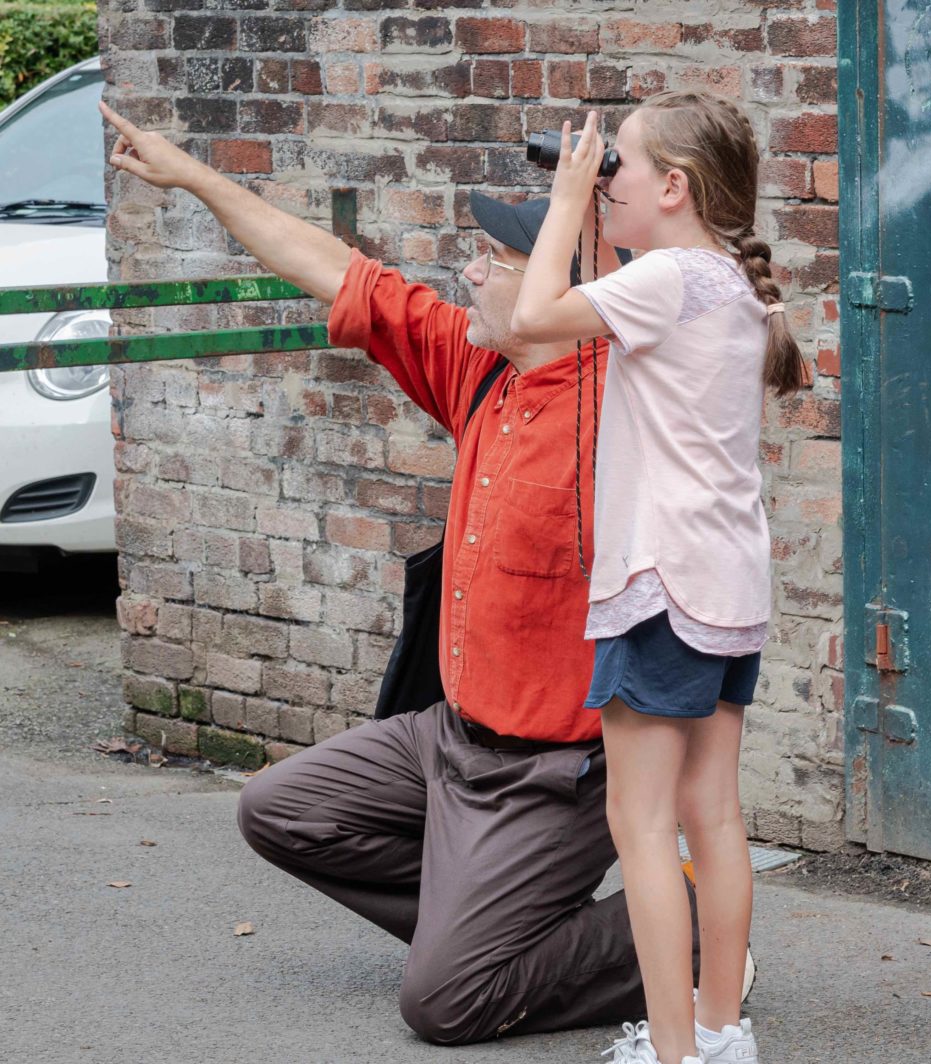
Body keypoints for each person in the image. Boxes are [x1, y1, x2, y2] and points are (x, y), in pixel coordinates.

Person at [98, 100, 752, 1047]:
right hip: (447, 739)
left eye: (491, 259)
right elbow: (332, 267)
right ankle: (490, 929)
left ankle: (672, 942)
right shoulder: (475, 366)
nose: (471, 273)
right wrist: (194, 176)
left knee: (441, 1003)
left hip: (552, 770)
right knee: (279, 810)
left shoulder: (627, 403)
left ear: (554, 286)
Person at [504, 92, 805, 1064]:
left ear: (673, 187)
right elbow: (594, 312)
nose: (605, 181)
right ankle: (719, 1031)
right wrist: (589, 214)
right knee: (712, 811)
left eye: (617, 167)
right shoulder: (727, 280)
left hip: (659, 582)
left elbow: (532, 319)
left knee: (637, 822)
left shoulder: (670, 276)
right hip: (727, 583)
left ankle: (673, 1053)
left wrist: (559, 201)